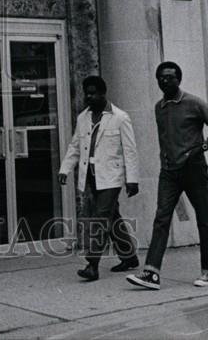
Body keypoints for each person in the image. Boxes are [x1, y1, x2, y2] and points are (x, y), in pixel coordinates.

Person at [127, 61, 208, 291]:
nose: (165, 81)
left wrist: (201, 148)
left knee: (204, 219)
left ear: (178, 79)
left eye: (170, 77)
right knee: (161, 218)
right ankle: (151, 273)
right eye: (161, 78)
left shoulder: (194, 103)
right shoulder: (159, 107)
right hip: (169, 172)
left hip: (194, 169)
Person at [58, 75, 140, 282]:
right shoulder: (83, 118)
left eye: (93, 93)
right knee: (112, 217)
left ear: (103, 93)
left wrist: (132, 179)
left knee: (101, 217)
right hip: (91, 176)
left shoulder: (120, 117)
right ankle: (129, 257)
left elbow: (130, 151)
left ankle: (92, 264)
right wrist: (65, 169)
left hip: (111, 177)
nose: (89, 96)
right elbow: (75, 145)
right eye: (87, 93)